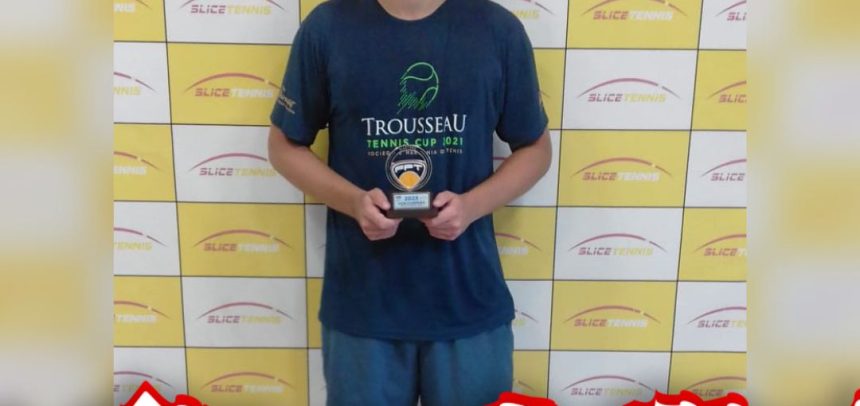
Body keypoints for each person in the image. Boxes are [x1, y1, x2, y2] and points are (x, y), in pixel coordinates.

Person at [267, 0, 551, 403]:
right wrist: (354, 202)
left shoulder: (497, 29)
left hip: (467, 302)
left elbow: (536, 148)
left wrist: (471, 206)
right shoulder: (327, 27)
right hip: (364, 307)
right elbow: (284, 145)